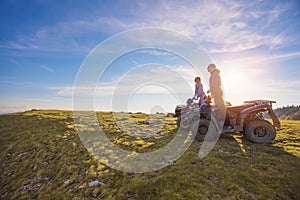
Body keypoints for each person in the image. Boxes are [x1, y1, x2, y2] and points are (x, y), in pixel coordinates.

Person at [207, 64, 227, 130]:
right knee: (219, 106)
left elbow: (215, 85)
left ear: (212, 67)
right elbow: (214, 85)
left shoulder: (214, 74)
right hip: (216, 92)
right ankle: (222, 122)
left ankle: (223, 123)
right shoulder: (214, 74)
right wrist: (210, 90)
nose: (208, 70)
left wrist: (213, 93)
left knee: (219, 107)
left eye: (209, 68)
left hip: (217, 93)